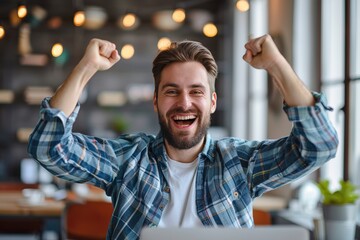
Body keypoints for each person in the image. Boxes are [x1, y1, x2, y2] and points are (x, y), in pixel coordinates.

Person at [28, 34, 338, 239]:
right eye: (171, 91)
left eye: (196, 92)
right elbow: (48, 147)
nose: (184, 103)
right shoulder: (128, 160)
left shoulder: (240, 162)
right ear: (155, 101)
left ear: (212, 102)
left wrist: (276, 65)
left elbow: (318, 146)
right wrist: (86, 67)